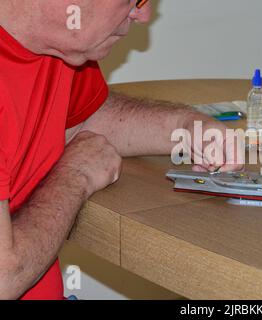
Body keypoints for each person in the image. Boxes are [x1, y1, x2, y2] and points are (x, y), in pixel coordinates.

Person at [0, 0, 242, 299]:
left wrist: (185, 126)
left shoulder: (59, 48)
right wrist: (74, 175)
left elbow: (81, 118)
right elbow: (4, 277)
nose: (143, 15)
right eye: (134, 0)